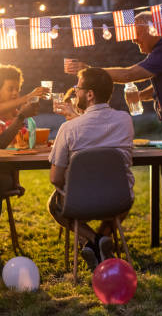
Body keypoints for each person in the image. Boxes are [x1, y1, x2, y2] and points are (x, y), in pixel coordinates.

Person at [74, 11, 162, 252]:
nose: (134, 40)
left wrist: (92, 71)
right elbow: (161, 83)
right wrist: (141, 95)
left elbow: (129, 74)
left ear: (153, 30)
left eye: (138, 34)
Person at [48, 68, 135, 271]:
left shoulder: (69, 129)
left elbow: (55, 178)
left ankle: (93, 241)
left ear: (89, 94)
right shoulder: (125, 120)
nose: (75, 91)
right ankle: (103, 242)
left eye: (78, 87)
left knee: (55, 205)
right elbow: (96, 126)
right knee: (124, 200)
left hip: (79, 203)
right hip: (118, 199)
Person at [0, 65, 46, 202]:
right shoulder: (16, 114)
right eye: (10, 89)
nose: (15, 93)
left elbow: (16, 149)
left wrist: (16, 181)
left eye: (17, 89)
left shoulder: (15, 114)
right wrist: (28, 97)